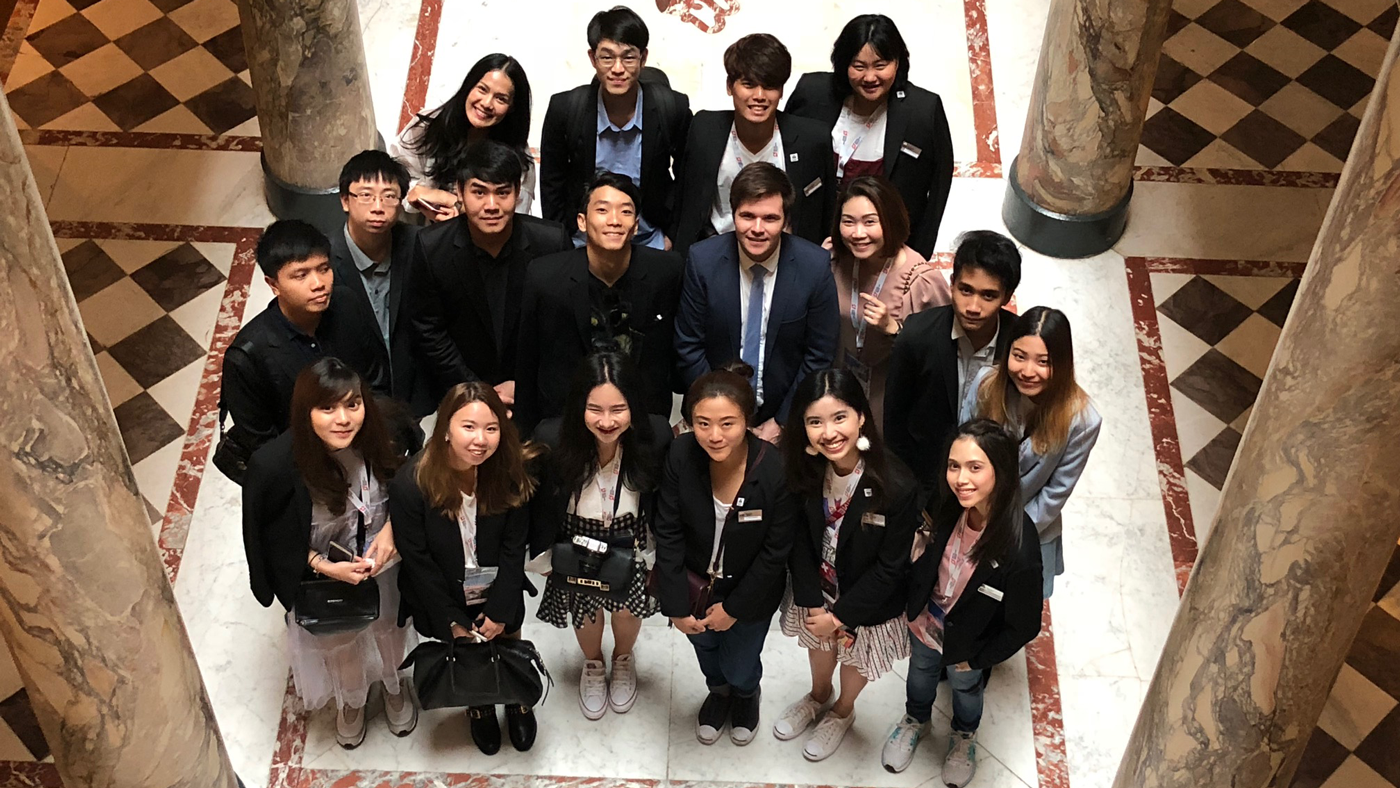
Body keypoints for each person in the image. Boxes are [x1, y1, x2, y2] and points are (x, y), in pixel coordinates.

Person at [241, 358, 416, 749]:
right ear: (306, 413)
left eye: (353, 405)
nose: (343, 419)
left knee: (390, 627)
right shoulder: (273, 466)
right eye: (327, 408)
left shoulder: (389, 430)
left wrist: (392, 532)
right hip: (324, 574)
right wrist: (324, 567)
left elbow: (415, 483)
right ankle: (351, 700)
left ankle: (393, 684)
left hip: (385, 563)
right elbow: (272, 538)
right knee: (341, 643)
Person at [881, 419, 1043, 783]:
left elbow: (1025, 624)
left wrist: (980, 660)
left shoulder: (1020, 548)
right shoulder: (950, 504)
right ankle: (915, 720)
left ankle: (963, 734)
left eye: (974, 467)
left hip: (970, 644)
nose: (960, 479)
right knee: (920, 673)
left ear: (1000, 472)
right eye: (954, 466)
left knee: (965, 689)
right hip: (926, 621)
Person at [773, 369, 917, 761]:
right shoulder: (801, 469)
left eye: (839, 418)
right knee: (818, 646)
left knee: (855, 658)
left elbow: (891, 568)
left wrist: (841, 617)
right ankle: (819, 695)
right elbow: (797, 540)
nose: (829, 433)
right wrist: (813, 603)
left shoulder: (897, 486)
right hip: (818, 589)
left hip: (867, 600)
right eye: (815, 422)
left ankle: (842, 710)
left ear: (861, 417)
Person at [391, 382, 540, 755]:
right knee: (469, 653)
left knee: (507, 640)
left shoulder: (507, 472)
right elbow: (418, 561)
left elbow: (513, 548)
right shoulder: (412, 484)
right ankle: (480, 701)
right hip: (445, 591)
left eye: (491, 428)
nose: (481, 440)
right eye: (468, 427)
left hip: (498, 586)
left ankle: (517, 698)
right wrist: (453, 620)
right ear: (445, 428)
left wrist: (502, 609)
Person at [652, 364, 797, 746]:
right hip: (693, 586)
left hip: (751, 591)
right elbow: (666, 531)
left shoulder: (774, 469)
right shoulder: (681, 454)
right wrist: (675, 605)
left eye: (727, 424)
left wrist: (734, 608)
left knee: (740, 660)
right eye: (703, 423)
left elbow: (775, 550)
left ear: (748, 421)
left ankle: (747, 693)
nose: (714, 436)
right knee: (705, 651)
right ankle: (718, 692)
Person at [530, 352, 673, 720]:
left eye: (618, 410)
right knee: (585, 609)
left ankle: (622, 660)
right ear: (580, 405)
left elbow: (663, 498)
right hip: (577, 537)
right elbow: (541, 504)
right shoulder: (551, 437)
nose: (606, 422)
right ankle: (593, 665)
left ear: (633, 407)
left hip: (631, 535)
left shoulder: (655, 435)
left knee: (628, 608)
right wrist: (544, 556)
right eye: (595, 409)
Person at [674, 163, 840, 442]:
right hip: (715, 412)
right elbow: (688, 345)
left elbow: (819, 354)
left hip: (784, 416)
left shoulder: (814, 266)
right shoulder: (703, 260)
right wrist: (723, 415)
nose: (757, 229)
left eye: (770, 218)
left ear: (786, 220)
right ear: (733, 215)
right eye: (747, 216)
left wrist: (782, 422)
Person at [407, 140, 572, 408]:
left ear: (518, 192)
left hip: (534, 393)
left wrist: (525, 383)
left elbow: (562, 327)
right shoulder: (431, 247)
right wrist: (477, 391)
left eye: (503, 192)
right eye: (479, 192)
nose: (492, 205)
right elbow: (429, 331)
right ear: (459, 192)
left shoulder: (551, 243)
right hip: (459, 393)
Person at [516, 171, 684, 432]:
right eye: (603, 210)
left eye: (626, 212)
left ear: (636, 225)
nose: (615, 221)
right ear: (582, 221)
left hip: (641, 419)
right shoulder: (545, 277)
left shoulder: (666, 271)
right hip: (566, 418)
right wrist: (525, 434)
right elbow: (528, 361)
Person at [218, 220, 387, 477]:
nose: (318, 283)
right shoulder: (247, 356)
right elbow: (263, 444)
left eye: (324, 269)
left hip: (365, 451)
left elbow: (376, 379)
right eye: (301, 275)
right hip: (305, 472)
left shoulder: (347, 304)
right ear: (273, 284)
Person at [784, 14, 955, 258]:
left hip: (884, 246)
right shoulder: (812, 93)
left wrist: (918, 256)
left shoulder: (923, 111)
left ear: (898, 62)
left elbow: (938, 189)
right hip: (814, 235)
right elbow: (785, 153)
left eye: (880, 65)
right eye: (859, 66)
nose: (870, 77)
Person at [960, 307, 1101, 598]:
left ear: (1062, 364)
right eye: (1019, 356)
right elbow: (961, 449)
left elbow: (1055, 494)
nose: (1027, 371)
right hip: (969, 515)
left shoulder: (1082, 420)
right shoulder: (986, 386)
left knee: (1010, 603)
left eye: (1043, 362)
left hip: (1027, 527)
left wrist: (1002, 534)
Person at [539, 6, 691, 249]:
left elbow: (687, 177)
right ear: (593, 58)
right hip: (584, 241)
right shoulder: (565, 108)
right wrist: (561, 242)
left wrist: (673, 236)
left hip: (650, 239)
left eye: (628, 57)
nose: (618, 69)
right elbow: (552, 183)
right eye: (607, 57)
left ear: (643, 58)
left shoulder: (672, 107)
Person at [884, 230, 1020, 500]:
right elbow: (895, 423)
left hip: (993, 487)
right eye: (965, 290)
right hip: (926, 484)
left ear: (1007, 297)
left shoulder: (1019, 345)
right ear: (952, 283)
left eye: (988, 295)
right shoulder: (916, 336)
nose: (973, 306)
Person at [670, 33, 835, 254]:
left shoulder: (811, 138)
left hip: (786, 256)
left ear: (781, 90)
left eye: (769, 86)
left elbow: (825, 210)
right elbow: (685, 201)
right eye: (748, 85)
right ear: (730, 86)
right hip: (717, 251)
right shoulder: (704, 129)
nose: (759, 96)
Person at [829, 176, 949, 426]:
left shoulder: (921, 281)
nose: (858, 233)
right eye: (848, 222)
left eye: (870, 222)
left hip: (892, 396)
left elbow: (942, 353)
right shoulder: (833, 260)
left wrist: (894, 329)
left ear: (890, 220)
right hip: (840, 385)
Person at [329, 150, 433, 417]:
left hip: (418, 393)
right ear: (345, 200)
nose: (378, 206)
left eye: (389, 196)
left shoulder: (421, 244)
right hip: (352, 401)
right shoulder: (324, 259)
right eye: (365, 195)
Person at [393, 53, 537, 220]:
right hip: (421, 232)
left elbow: (512, 216)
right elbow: (396, 175)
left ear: (511, 107)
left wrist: (451, 201)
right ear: (469, 86)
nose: (486, 103)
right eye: (482, 89)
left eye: (500, 99)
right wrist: (420, 197)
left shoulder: (517, 155)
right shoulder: (429, 126)